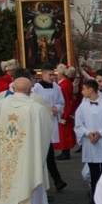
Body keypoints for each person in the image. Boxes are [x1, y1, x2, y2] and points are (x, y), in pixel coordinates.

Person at [0, 74, 53, 204]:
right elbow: (45, 132)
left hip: (2, 159)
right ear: (30, 91)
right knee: (28, 178)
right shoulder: (36, 108)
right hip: (26, 161)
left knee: (3, 183)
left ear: (13, 88)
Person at [75, 79, 102, 204]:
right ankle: (95, 198)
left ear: (91, 90)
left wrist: (100, 133)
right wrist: (88, 133)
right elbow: (78, 125)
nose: (82, 91)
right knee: (94, 173)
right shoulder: (82, 107)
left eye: (83, 89)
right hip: (90, 144)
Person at [32, 64, 67, 192]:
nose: (53, 77)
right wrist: (48, 108)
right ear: (43, 74)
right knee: (46, 154)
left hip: (51, 122)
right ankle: (55, 180)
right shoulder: (36, 88)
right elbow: (34, 104)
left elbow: (61, 102)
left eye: (54, 75)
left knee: (49, 153)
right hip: (40, 124)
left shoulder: (57, 87)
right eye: (50, 75)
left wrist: (57, 108)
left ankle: (57, 180)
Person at [54, 65, 77, 160]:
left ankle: (65, 153)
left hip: (65, 113)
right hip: (65, 112)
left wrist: (65, 116)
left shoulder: (64, 85)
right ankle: (64, 152)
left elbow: (67, 101)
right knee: (64, 134)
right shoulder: (65, 84)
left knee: (64, 134)